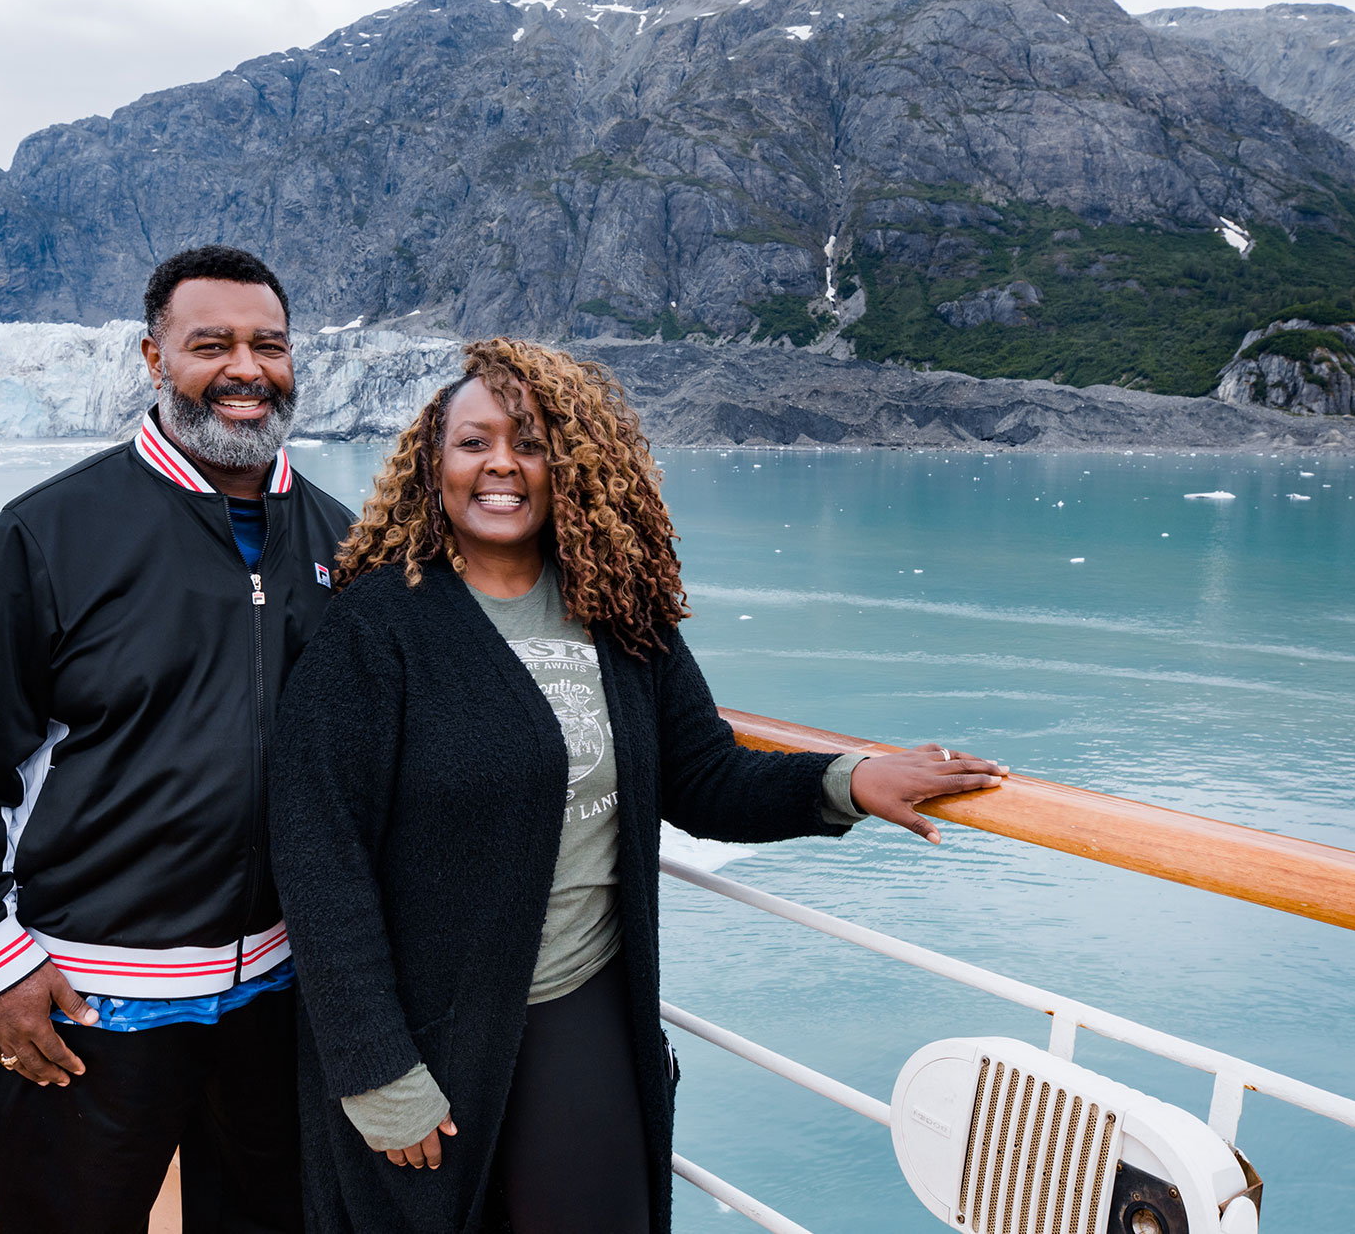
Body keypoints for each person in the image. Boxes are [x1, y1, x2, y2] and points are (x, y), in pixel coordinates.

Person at [266, 338, 1005, 1234]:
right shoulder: (378, 628)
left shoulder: (616, 610)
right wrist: (377, 1066)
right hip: (426, 1022)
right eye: (474, 442)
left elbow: (703, 774)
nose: (502, 463)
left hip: (578, 1000)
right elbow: (319, 851)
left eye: (530, 441)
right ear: (434, 464)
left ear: (568, 463)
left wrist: (850, 780)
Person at [0, 245, 353, 1233]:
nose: (244, 368)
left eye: (268, 345)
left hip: (275, 999)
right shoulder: (52, 532)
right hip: (89, 1007)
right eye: (210, 343)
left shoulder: (338, 541)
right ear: (152, 357)